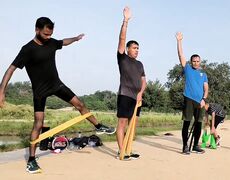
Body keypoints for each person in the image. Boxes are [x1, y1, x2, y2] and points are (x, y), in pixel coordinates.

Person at [0, 17, 116, 173]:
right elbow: (10, 70)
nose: (48, 37)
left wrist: (75, 38)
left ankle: (99, 126)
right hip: (40, 91)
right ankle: (31, 160)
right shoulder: (27, 49)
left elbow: (63, 42)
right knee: (38, 124)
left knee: (80, 104)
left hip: (56, 85)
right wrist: (1, 91)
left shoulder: (51, 42)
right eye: (46, 34)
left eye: (50, 34)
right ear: (37, 30)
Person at [116, 7, 147, 160]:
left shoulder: (140, 64)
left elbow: (144, 81)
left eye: (138, 48)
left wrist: (141, 93)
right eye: (134, 48)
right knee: (122, 123)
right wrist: (126, 21)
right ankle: (121, 151)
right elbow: (122, 39)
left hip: (136, 98)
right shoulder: (123, 58)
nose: (136, 50)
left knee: (132, 124)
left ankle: (129, 149)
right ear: (127, 49)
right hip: (125, 95)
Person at [175, 32, 209, 155]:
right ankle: (185, 146)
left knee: (199, 123)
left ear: (200, 62)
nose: (195, 63)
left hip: (200, 101)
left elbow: (206, 88)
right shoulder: (187, 68)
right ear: (191, 62)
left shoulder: (203, 74)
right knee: (187, 122)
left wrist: (204, 99)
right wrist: (179, 41)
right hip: (189, 99)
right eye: (193, 61)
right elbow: (180, 54)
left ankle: (195, 145)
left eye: (197, 61)